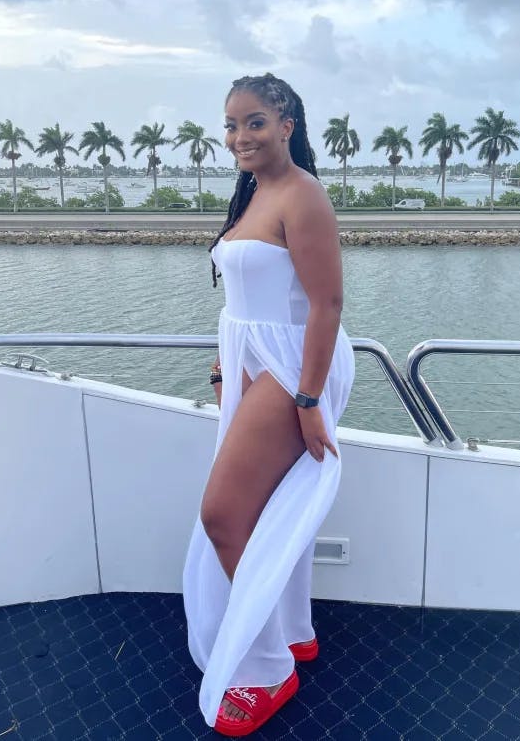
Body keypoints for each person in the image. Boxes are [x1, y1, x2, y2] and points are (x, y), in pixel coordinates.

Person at [183, 73, 355, 736]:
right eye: (230, 125)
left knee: (224, 514)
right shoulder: (256, 192)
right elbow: (246, 304)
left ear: (287, 124)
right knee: (258, 509)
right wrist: (225, 365)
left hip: (295, 365)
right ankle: (293, 630)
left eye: (254, 122)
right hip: (256, 365)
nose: (239, 137)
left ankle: (268, 666)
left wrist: (309, 398)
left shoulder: (303, 194)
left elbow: (325, 305)